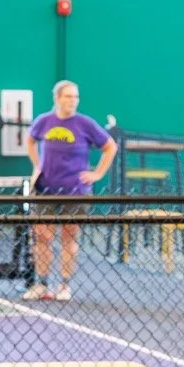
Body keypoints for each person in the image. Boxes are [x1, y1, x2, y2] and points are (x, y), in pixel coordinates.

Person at [24, 82, 116, 301]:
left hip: (76, 191)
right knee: (42, 236)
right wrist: (37, 164)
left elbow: (110, 146)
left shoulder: (85, 124)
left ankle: (64, 285)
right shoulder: (43, 122)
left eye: (75, 96)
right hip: (45, 189)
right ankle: (42, 284)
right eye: (68, 96)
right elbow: (30, 141)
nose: (72, 100)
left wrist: (97, 174)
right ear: (57, 98)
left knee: (69, 236)